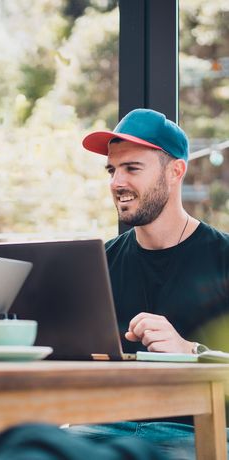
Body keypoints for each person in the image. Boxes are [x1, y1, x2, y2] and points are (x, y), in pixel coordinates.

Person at [65, 108, 229, 458]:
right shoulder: (99, 263)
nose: (116, 183)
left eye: (132, 169)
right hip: (102, 428)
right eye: (112, 170)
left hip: (193, 431)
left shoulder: (223, 256)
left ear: (175, 171)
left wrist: (191, 352)